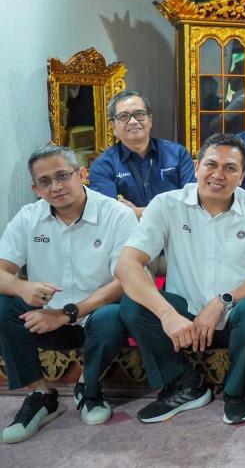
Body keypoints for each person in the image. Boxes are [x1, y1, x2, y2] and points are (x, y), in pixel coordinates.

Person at [115, 133, 245, 425]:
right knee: (133, 304)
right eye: (211, 164)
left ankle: (236, 391)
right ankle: (185, 384)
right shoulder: (167, 204)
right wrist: (167, 314)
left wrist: (222, 301)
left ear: (242, 176)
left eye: (230, 168)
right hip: (184, 318)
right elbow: (127, 264)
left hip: (237, 316)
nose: (218, 174)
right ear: (196, 167)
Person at [0, 145, 136, 443]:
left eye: (63, 176)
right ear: (36, 189)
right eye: (45, 181)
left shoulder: (117, 215)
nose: (56, 187)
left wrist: (66, 314)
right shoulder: (28, 217)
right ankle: (41, 395)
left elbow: (127, 280)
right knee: (3, 303)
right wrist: (22, 286)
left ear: (82, 174)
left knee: (114, 313)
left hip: (95, 316)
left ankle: (89, 389)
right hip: (42, 319)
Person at [88, 90, 196, 218]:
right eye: (123, 116)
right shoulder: (103, 166)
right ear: (113, 126)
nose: (133, 121)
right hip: (129, 231)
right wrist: (169, 210)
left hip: (175, 230)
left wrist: (137, 212)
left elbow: (192, 205)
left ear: (150, 120)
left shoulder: (177, 154)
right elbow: (109, 215)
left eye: (139, 114)